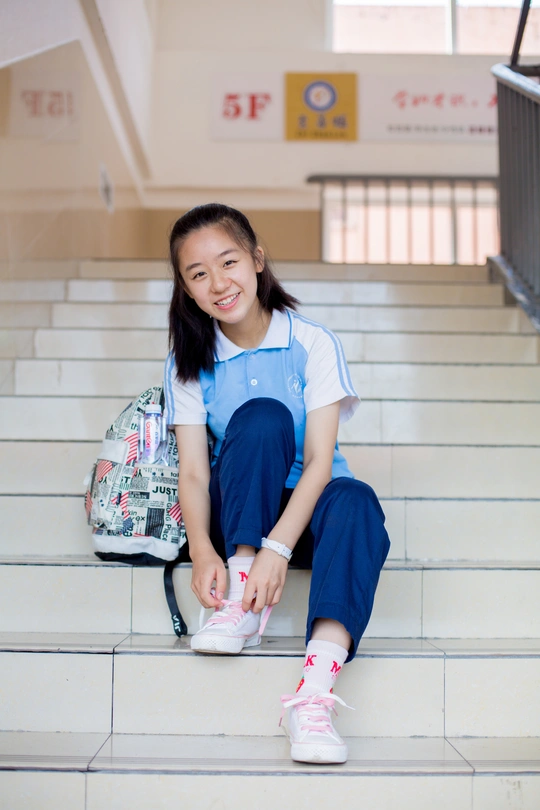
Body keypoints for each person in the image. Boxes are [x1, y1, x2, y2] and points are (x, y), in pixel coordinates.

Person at [164, 203, 390, 765]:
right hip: (241, 511)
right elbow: (193, 472)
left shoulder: (312, 343)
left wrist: (278, 549)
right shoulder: (187, 361)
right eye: (198, 274)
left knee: (357, 500)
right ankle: (240, 598)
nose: (219, 284)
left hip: (304, 518)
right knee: (263, 417)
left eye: (229, 262)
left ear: (257, 260)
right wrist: (202, 550)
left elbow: (318, 462)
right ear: (186, 289)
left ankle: (313, 694)